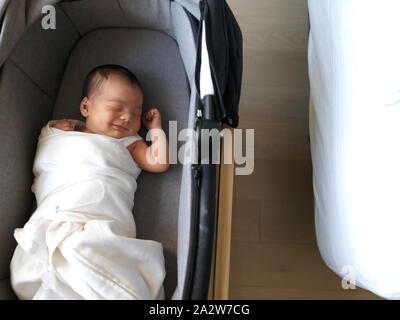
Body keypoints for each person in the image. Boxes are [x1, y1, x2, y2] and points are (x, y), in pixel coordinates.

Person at [52, 64, 169, 172]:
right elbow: (50, 154)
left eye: (136, 113)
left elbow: (160, 163)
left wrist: (156, 129)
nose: (127, 118)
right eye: (116, 108)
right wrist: (55, 134)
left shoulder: (130, 144)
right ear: (86, 107)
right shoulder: (71, 130)